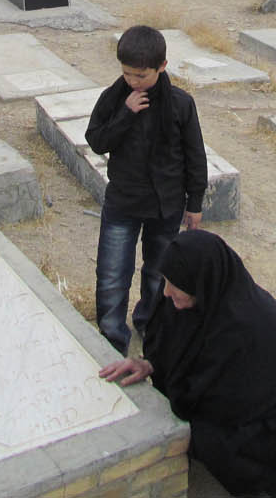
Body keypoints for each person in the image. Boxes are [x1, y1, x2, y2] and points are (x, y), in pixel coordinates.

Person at [100, 231, 276, 498]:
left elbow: (215, 404)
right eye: (166, 280)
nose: (166, 292)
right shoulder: (200, 296)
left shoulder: (242, 328)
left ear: (202, 283)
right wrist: (150, 364)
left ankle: (273, 481)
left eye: (175, 284)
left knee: (206, 439)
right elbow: (175, 347)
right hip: (251, 402)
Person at [85, 25, 207, 355]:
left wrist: (194, 203)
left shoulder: (181, 104)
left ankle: (150, 326)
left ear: (162, 66)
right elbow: (97, 141)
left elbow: (195, 157)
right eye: (126, 73)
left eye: (141, 75)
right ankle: (112, 337)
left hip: (166, 208)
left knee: (158, 274)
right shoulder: (114, 99)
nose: (133, 81)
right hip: (123, 203)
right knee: (112, 274)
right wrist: (125, 113)